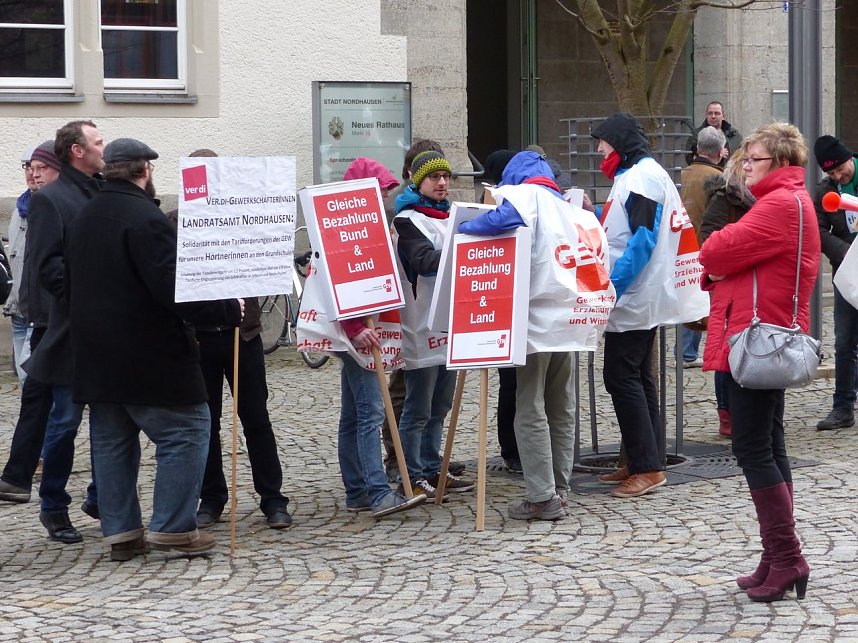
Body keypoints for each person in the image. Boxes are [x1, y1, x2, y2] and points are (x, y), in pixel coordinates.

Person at [66, 138, 244, 561]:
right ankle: (173, 528)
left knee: (113, 443)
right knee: (187, 431)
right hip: (150, 355)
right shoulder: (145, 218)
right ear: (144, 170)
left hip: (96, 356)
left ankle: (121, 533)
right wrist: (225, 308)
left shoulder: (84, 215)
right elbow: (175, 288)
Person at [699, 122, 819, 602]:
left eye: (755, 160)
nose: (746, 167)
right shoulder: (784, 203)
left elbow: (713, 249)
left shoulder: (778, 206)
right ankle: (776, 556)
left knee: (752, 447)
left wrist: (727, 251)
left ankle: (788, 557)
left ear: (782, 162)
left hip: (756, 338)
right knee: (769, 442)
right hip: (761, 335)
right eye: (745, 159)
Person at [460, 150, 614, 520]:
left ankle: (542, 496)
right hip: (575, 320)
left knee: (530, 406)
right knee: (562, 404)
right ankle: (560, 489)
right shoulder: (573, 210)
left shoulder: (527, 198)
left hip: (538, 320)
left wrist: (461, 229)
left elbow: (498, 221)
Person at [162, 149, 293, 531]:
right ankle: (212, 497)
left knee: (256, 418)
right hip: (198, 338)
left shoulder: (243, 217)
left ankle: (273, 497)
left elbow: (267, 253)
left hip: (243, 333)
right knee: (206, 422)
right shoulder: (173, 225)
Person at [0, 123, 103, 544]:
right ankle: (53, 505)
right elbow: (45, 268)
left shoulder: (98, 193)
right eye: (97, 142)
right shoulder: (46, 203)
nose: (104, 147)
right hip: (59, 329)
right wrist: (80, 306)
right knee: (63, 420)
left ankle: (101, 497)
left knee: (111, 420)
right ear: (76, 152)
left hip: (100, 333)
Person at [591, 112, 689, 498]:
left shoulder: (642, 177)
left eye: (602, 142)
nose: (599, 150)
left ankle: (647, 466)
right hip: (638, 292)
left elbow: (642, 239)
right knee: (638, 377)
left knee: (620, 376)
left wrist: (611, 287)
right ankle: (645, 458)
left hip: (634, 293)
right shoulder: (639, 175)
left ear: (618, 143)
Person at [393, 151, 475, 500]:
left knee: (440, 404)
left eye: (446, 177)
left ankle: (431, 465)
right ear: (418, 181)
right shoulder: (407, 220)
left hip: (449, 325)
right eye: (434, 177)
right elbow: (425, 262)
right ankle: (410, 473)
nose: (442, 183)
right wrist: (467, 243)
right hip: (422, 324)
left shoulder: (451, 216)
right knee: (418, 406)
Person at [699, 149, 755, 438]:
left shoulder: (766, 201)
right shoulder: (725, 199)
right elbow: (708, 240)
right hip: (728, 284)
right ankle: (727, 414)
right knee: (726, 351)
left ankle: (748, 411)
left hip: (755, 287)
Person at [811, 135, 858, 431]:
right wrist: (848, 253)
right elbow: (818, 230)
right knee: (844, 342)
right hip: (847, 273)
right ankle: (842, 407)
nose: (838, 176)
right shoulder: (824, 191)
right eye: (831, 173)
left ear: (848, 158)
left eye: (840, 169)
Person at [679, 126, 725, 368]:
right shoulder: (717, 177)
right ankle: (689, 352)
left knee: (688, 296)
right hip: (705, 245)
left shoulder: (682, 173)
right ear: (720, 152)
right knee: (703, 301)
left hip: (684, 243)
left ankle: (686, 351)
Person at [3, 145, 37, 384]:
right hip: (16, 306)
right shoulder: (19, 208)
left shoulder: (53, 205)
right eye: (27, 166)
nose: (31, 173)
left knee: (33, 379)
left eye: (37, 167)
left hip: (40, 309)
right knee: (25, 380)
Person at [685, 101, 743, 165]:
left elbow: (742, 156)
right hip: (707, 172)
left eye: (717, 113)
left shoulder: (734, 135)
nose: (713, 116)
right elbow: (689, 159)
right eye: (710, 113)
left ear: (723, 116)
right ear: (706, 115)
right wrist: (717, 154)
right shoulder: (696, 135)